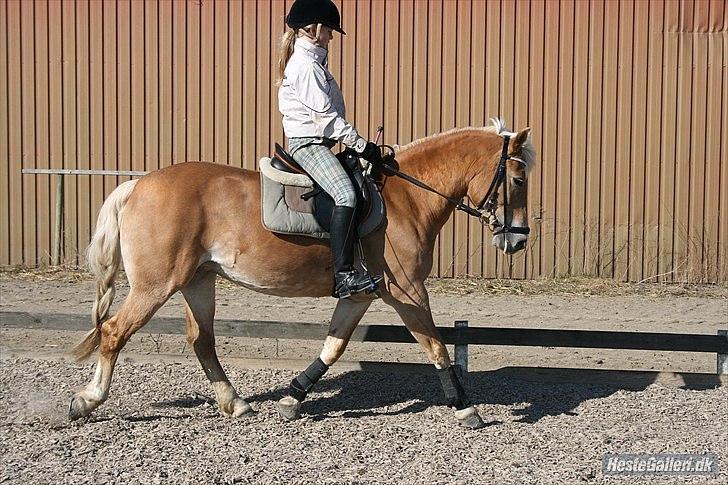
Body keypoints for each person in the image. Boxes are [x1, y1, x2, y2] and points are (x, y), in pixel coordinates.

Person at [277, 0, 383, 298]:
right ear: (314, 29)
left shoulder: (314, 63)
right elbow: (326, 119)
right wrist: (362, 145)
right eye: (329, 32)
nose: (331, 38)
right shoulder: (305, 66)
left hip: (322, 141)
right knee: (345, 194)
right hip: (308, 144)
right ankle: (344, 275)